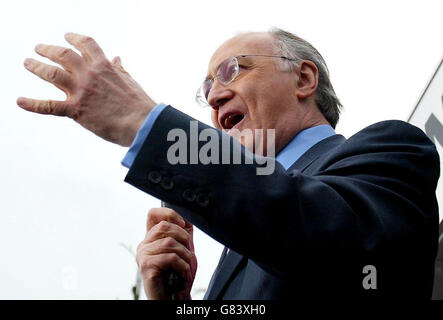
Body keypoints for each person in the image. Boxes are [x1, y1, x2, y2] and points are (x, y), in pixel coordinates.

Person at [17, 28, 440, 300]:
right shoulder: (240, 240)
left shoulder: (393, 150)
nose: (215, 97)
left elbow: (332, 242)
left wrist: (144, 124)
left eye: (231, 71)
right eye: (207, 88)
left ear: (304, 79)